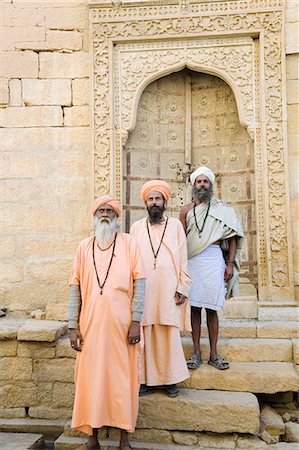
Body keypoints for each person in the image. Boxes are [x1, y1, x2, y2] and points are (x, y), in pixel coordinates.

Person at [67, 195, 145, 450]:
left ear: (116, 216)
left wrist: (136, 321)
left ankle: (124, 440)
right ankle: (93, 438)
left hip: (123, 327)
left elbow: (140, 284)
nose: (105, 213)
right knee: (91, 380)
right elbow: (74, 287)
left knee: (123, 380)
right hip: (90, 325)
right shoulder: (83, 246)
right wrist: (72, 325)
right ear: (94, 215)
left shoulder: (130, 244)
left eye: (109, 210)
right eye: (101, 210)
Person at [130, 180, 192, 398]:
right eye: (151, 199)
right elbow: (132, 261)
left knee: (168, 333)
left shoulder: (175, 225)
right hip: (145, 290)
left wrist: (183, 286)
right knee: (146, 333)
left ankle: (170, 380)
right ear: (145, 203)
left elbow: (183, 257)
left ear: (165, 201)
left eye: (158, 198)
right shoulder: (136, 228)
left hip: (169, 289)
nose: (154, 202)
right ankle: (145, 380)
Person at [180, 167, 244, 370]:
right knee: (195, 308)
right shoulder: (186, 210)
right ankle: (196, 352)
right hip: (192, 261)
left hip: (214, 259)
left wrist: (230, 264)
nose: (202, 185)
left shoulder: (222, 209)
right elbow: (180, 239)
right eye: (198, 182)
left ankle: (214, 353)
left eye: (205, 182)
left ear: (211, 185)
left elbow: (232, 238)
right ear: (193, 185)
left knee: (212, 309)